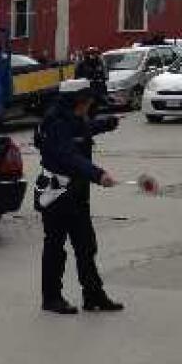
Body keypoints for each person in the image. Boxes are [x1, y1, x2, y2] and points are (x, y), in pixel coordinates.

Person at [34, 79, 122, 315]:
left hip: (77, 192)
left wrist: (107, 124)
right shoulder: (55, 123)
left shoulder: (73, 116)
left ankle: (93, 295)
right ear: (76, 101)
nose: (90, 105)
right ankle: (51, 298)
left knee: (86, 245)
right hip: (56, 193)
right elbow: (68, 156)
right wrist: (98, 174)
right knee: (55, 246)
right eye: (88, 101)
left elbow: (84, 129)